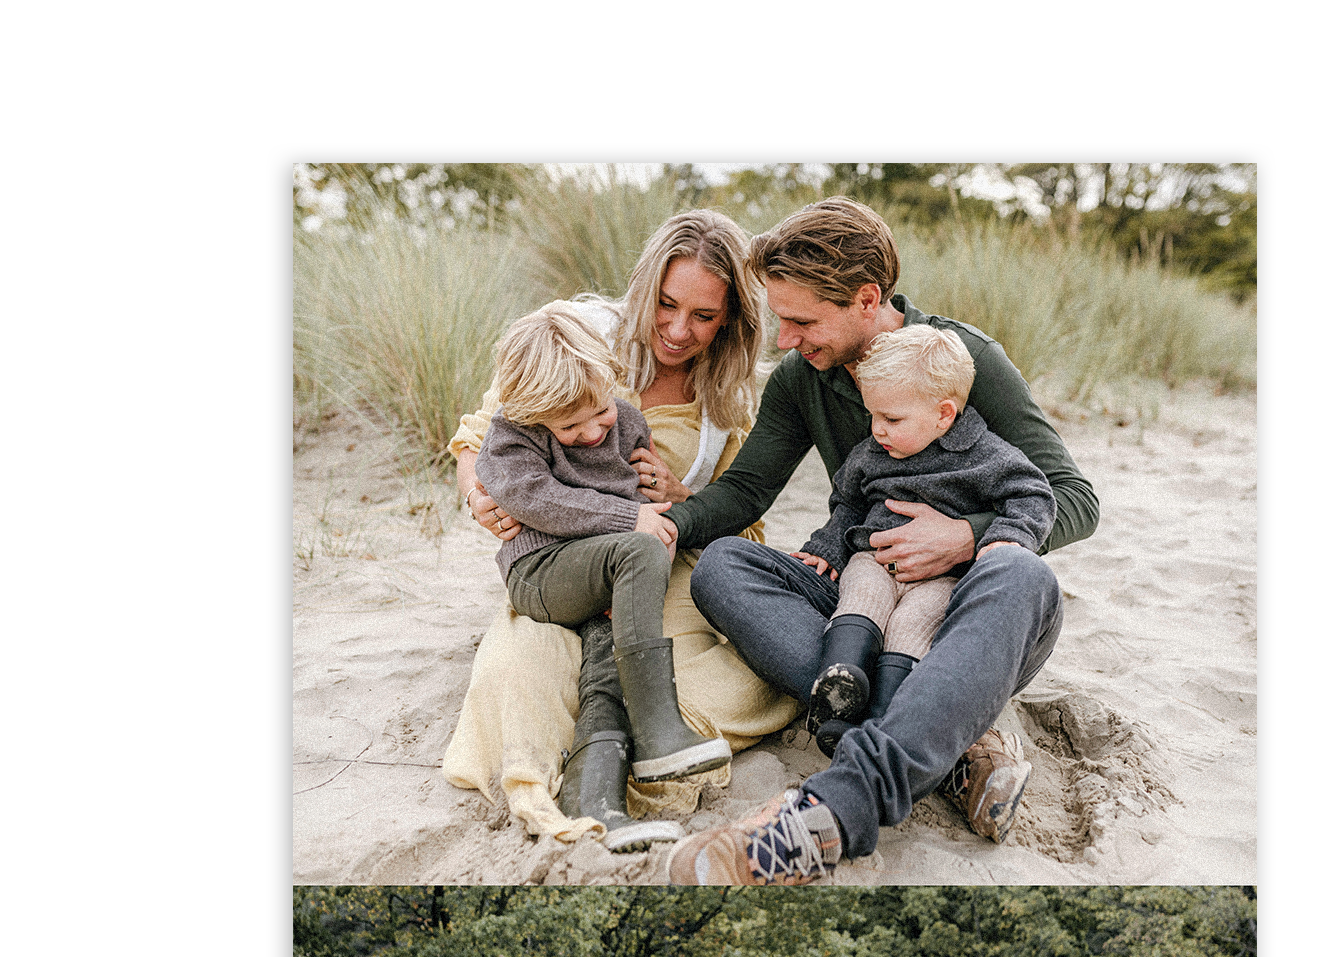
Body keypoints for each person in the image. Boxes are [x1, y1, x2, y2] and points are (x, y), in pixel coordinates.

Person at [664, 198, 1100, 886]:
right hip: (866, 595)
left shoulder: (964, 361)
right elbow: (748, 492)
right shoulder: (801, 379)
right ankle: (951, 743)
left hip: (961, 607)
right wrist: (668, 523)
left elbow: (1074, 500)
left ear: (867, 299)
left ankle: (840, 806)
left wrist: (965, 537)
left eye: (802, 320)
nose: (785, 338)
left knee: (1024, 576)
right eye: (781, 317)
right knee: (723, 565)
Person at [443, 211, 797, 853]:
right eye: (665, 304)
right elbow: (482, 436)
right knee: (523, 670)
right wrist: (480, 494)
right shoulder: (574, 339)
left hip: (662, 571)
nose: (678, 330)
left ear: (733, 320)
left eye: (704, 316)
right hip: (560, 561)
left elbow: (742, 512)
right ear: (644, 288)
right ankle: (565, 779)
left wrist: (682, 496)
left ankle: (619, 769)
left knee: (750, 675)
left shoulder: (729, 396)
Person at [472, 303, 729, 783]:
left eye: (600, 414)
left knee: (605, 664)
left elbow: (641, 505)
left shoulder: (628, 423)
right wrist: (630, 519)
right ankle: (658, 728)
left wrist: (650, 527)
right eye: (570, 428)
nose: (592, 432)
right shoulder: (512, 435)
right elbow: (536, 499)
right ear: (533, 414)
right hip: (541, 571)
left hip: (605, 571)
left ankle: (593, 782)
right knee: (641, 544)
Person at [794, 324, 1055, 758]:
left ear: (944, 414)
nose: (878, 430)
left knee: (914, 622)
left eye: (892, 420)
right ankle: (841, 681)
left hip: (940, 577)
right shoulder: (872, 454)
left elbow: (1034, 493)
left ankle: (886, 716)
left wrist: (1006, 537)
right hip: (874, 559)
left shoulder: (985, 455)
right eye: (872, 416)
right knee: (860, 593)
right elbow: (847, 505)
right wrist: (825, 548)